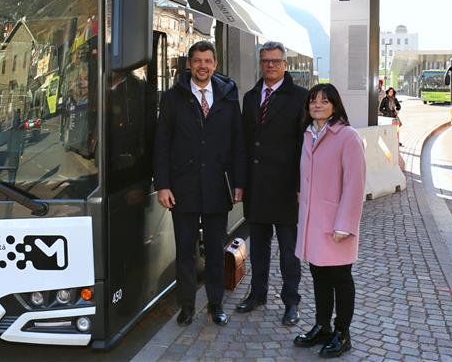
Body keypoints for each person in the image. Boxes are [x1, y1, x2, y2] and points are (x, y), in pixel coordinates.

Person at [153, 40, 246, 327]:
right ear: (189, 64)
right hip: (183, 189)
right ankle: (187, 307)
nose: (202, 66)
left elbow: (238, 143)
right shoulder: (173, 98)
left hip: (218, 187)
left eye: (207, 61)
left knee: (216, 252)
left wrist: (239, 183)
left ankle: (216, 305)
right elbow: (162, 144)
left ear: (215, 64)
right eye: (197, 61)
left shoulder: (229, 97)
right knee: (185, 252)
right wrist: (163, 185)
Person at [293, 83, 367, 358]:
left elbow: (354, 184)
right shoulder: (309, 135)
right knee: (318, 278)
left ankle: (342, 333)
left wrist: (345, 225)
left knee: (340, 279)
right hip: (314, 223)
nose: (318, 105)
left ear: (335, 105)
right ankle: (322, 326)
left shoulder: (347, 136)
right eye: (313, 101)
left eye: (324, 101)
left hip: (336, 224)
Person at [237, 41, 307, 327]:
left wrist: (302, 185)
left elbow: (305, 146)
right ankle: (258, 294)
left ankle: (291, 302)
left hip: (287, 189)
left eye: (276, 61)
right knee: (259, 249)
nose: (270, 65)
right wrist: (240, 183)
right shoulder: (251, 97)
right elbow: (243, 144)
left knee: (289, 252)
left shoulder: (301, 97)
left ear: (285, 64)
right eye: (265, 61)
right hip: (256, 188)